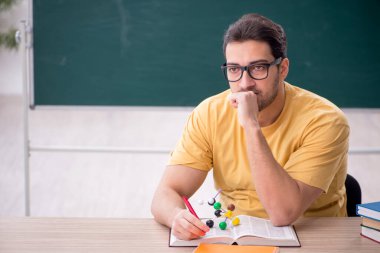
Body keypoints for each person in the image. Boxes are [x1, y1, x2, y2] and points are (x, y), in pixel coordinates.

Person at [151, 13, 349, 240]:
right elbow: (165, 194)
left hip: (315, 240)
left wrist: (251, 125)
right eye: (234, 69)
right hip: (237, 237)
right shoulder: (209, 113)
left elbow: (283, 213)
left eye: (258, 68)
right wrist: (176, 216)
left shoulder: (325, 121)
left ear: (282, 68)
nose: (245, 83)